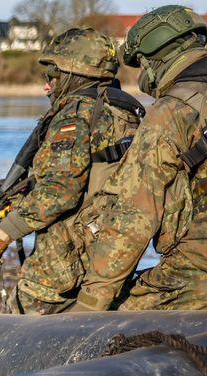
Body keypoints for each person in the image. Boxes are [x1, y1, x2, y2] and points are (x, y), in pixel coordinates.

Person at [0, 29, 144, 314]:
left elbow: (60, 190)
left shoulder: (76, 115)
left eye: (52, 76)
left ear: (74, 74)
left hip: (69, 253)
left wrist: (4, 233)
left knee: (24, 316)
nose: (47, 86)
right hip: (113, 247)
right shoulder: (124, 110)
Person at [74, 5, 207, 311]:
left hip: (197, 271)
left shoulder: (172, 112)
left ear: (153, 60)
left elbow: (134, 215)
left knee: (117, 319)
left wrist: (90, 305)